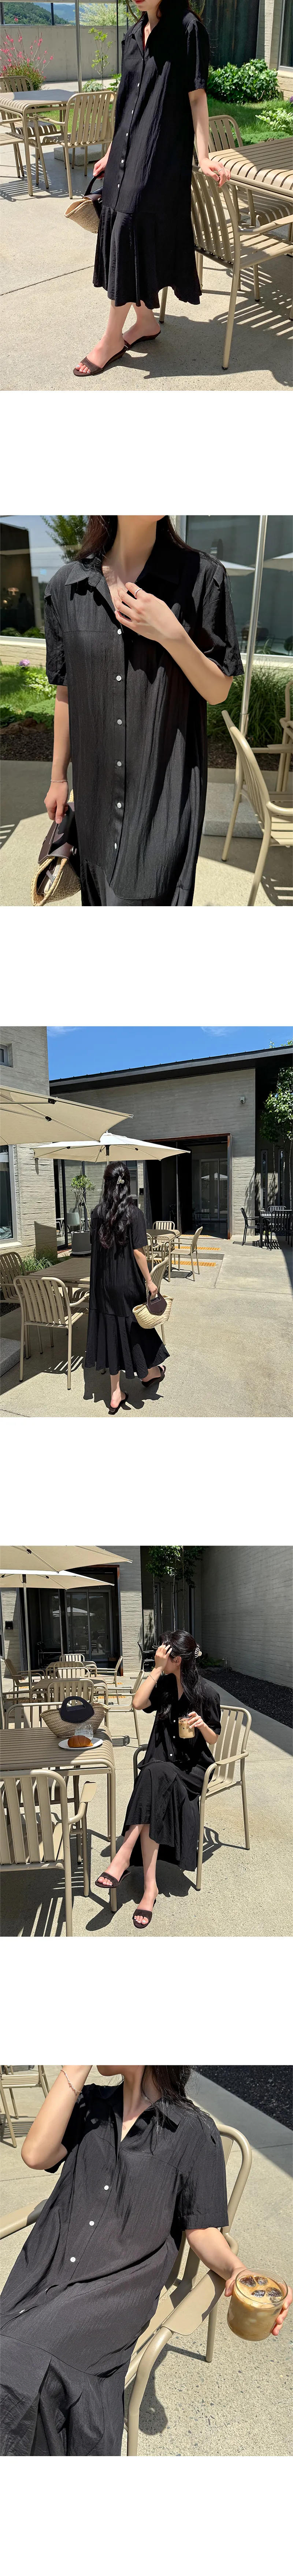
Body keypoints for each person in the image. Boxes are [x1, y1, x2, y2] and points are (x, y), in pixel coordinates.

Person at [3, 2064, 290, 2456]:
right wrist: (74, 2068)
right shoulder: (89, 2104)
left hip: (112, 2289)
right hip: (45, 2270)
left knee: (18, 2369)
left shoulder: (193, 2132)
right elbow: (35, 2155)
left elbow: (202, 2229)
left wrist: (237, 2271)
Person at [44, 514, 242, 907]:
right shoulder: (67, 588)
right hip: (96, 800)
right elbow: (66, 691)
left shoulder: (203, 578)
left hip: (163, 799)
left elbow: (219, 690)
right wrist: (58, 778)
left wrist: (172, 634)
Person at [73, 1, 230, 378]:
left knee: (129, 226)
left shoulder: (188, 29)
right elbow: (126, 99)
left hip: (159, 154)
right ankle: (145, 321)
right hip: (125, 153)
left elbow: (197, 96)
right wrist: (110, 152)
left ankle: (110, 339)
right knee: (122, 226)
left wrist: (204, 156)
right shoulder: (133, 35)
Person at [97, 1632, 222, 1924]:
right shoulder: (164, 1684)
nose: (160, 1656)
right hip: (162, 1767)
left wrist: (202, 1725)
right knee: (155, 1775)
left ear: (178, 1660)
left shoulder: (207, 1693)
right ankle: (150, 1887)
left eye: (165, 1654)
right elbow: (137, 1703)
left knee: (153, 1772)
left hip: (192, 1770)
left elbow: (214, 1739)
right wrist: (155, 1670)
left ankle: (123, 1855)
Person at [85, 1161, 169, 1412]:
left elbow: (96, 1250)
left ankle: (115, 1394)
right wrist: (150, 1282)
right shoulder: (135, 1214)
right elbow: (139, 1253)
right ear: (127, 1185)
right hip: (127, 1284)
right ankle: (149, 1373)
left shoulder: (97, 1213)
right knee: (136, 1330)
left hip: (103, 1286)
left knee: (112, 1333)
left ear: (107, 1184)